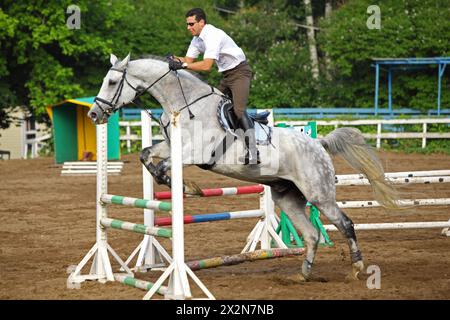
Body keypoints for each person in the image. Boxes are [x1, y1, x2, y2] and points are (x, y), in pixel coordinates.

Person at [168, 7, 260, 165]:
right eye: (187, 24)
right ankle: (221, 143)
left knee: (238, 110)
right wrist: (172, 58)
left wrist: (182, 65)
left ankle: (253, 151)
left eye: (191, 24)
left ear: (202, 22)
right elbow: (188, 60)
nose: (188, 28)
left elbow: (206, 66)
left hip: (240, 73)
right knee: (211, 106)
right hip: (227, 76)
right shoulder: (197, 39)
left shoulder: (213, 35)